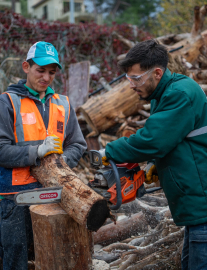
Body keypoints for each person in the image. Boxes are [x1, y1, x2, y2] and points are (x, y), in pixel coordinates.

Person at [101, 39, 207, 270]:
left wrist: (109, 151)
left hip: (202, 203)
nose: (131, 85)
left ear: (157, 72)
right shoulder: (163, 93)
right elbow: (177, 138)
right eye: (129, 78)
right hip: (194, 206)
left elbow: (153, 140)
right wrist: (156, 166)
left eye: (136, 78)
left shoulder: (180, 93)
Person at [0, 41, 87, 270]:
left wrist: (61, 163)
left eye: (51, 72)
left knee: (58, 253)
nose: (46, 77)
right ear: (26, 66)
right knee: (16, 257)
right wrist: (37, 152)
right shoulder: (7, 102)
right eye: (40, 70)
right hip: (17, 193)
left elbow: (77, 144)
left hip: (55, 191)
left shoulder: (62, 103)